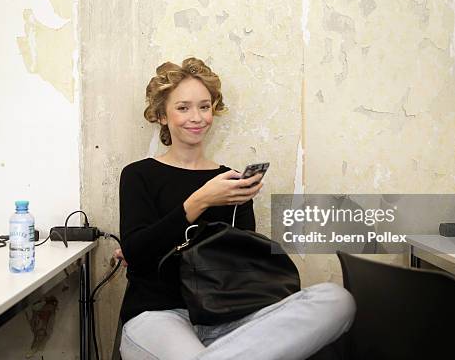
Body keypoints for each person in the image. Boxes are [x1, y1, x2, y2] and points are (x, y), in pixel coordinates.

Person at [116, 58, 355, 360]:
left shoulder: (231, 182)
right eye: (183, 107)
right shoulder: (139, 175)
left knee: (336, 300)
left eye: (204, 106)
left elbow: (244, 266)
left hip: (228, 318)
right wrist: (201, 200)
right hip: (159, 313)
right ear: (163, 115)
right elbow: (138, 253)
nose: (197, 117)